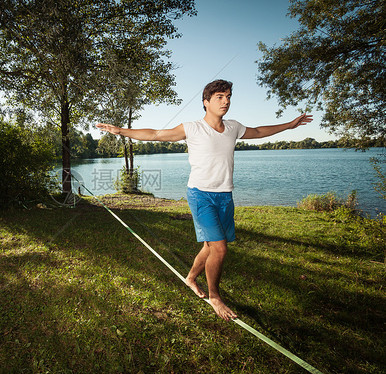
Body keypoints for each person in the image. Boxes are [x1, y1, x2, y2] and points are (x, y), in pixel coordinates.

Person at [96, 79, 313, 321]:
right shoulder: (192, 128)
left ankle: (190, 278)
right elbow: (156, 134)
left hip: (225, 195)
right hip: (200, 194)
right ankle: (215, 297)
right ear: (206, 102)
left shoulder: (234, 127)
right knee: (220, 248)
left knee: (210, 246)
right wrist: (121, 131)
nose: (226, 101)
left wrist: (289, 125)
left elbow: (260, 132)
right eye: (220, 96)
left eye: (228, 96)